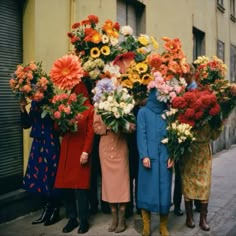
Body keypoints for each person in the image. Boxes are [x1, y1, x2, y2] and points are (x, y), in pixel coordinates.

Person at [54, 81, 94, 234]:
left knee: (81, 188)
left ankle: (83, 220)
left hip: (80, 151)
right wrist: (61, 116)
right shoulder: (67, 107)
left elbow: (90, 133)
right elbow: (58, 129)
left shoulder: (90, 109)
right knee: (66, 186)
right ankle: (72, 218)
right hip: (67, 150)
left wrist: (86, 151)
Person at [136, 88, 173, 236]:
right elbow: (141, 134)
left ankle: (163, 226)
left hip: (165, 158)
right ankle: (146, 225)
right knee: (146, 190)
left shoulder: (168, 113)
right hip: (149, 158)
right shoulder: (143, 112)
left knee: (165, 190)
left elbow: (173, 134)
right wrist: (144, 155)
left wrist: (172, 155)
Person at [20, 97, 61, 226]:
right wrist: (22, 108)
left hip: (50, 142)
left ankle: (55, 209)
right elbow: (26, 125)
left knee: (50, 176)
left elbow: (56, 123)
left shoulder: (50, 100)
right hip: (38, 143)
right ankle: (46, 210)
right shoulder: (33, 103)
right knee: (39, 176)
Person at [93, 114, 133, 233]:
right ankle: (114, 217)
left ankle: (122, 218)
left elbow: (132, 128)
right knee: (109, 184)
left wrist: (120, 125)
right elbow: (95, 128)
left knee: (122, 184)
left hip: (120, 148)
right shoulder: (99, 108)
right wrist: (107, 127)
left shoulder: (124, 105)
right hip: (105, 149)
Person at [173, 64, 201, 216]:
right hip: (179, 134)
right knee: (179, 173)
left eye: (186, 74)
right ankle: (177, 204)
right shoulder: (179, 90)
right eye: (183, 74)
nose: (184, 76)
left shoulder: (197, 90)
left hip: (193, 136)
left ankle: (196, 202)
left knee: (194, 172)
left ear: (192, 74)